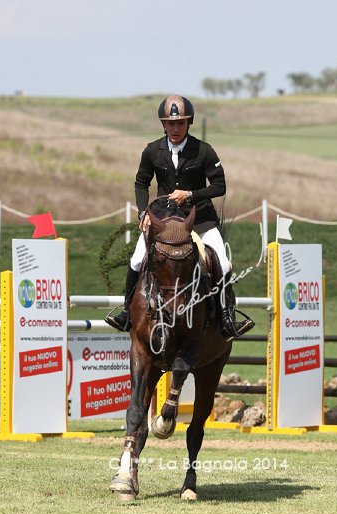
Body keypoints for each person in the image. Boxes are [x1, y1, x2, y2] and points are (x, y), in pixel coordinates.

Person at [105, 94, 254, 339]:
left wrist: (191, 195)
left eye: (180, 123)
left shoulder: (203, 151)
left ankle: (227, 317)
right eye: (171, 123)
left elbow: (220, 186)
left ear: (188, 123)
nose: (175, 128)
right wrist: (143, 213)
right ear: (164, 124)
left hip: (201, 219)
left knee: (224, 263)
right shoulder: (152, 150)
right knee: (136, 260)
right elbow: (141, 183)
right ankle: (126, 313)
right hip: (164, 221)